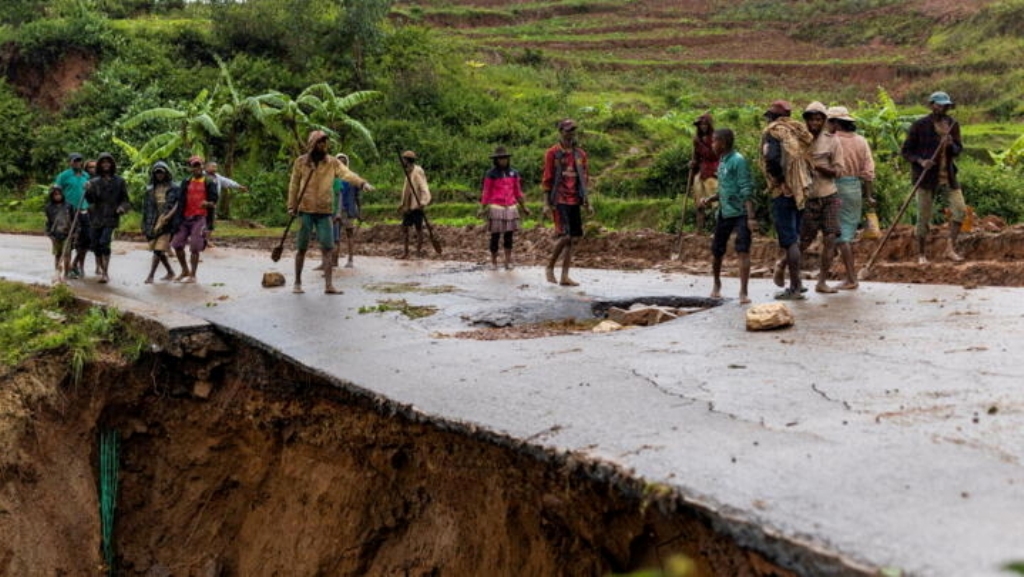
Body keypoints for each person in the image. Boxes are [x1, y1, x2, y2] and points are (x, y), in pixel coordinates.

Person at [288, 130, 374, 294]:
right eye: (320, 143)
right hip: (305, 209)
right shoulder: (301, 163)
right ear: (312, 144)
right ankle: (297, 283)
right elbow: (293, 185)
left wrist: (362, 183)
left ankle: (329, 285)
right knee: (302, 247)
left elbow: (347, 174)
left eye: (325, 143)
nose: (323, 146)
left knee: (328, 248)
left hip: (325, 211)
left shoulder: (332, 163)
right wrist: (291, 206)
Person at [901, 91, 966, 264]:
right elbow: (906, 151)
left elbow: (959, 149)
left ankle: (950, 248)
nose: (942, 108)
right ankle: (921, 254)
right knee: (923, 217)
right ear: (932, 105)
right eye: (939, 105)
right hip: (925, 178)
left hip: (949, 176)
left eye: (945, 105)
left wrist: (951, 144)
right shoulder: (919, 125)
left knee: (960, 210)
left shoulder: (953, 125)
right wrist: (921, 161)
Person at [759, 100, 813, 300]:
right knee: (795, 237)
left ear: (772, 117)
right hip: (800, 189)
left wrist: (781, 183)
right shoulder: (796, 131)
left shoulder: (773, 133)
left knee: (789, 240)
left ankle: (795, 286)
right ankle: (797, 282)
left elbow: (771, 159)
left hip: (784, 192)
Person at [699, 128, 755, 304]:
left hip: (741, 212)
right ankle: (716, 284)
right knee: (717, 250)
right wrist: (710, 199)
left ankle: (743, 292)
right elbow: (725, 188)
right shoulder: (722, 161)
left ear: (723, 143)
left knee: (743, 249)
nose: (712, 144)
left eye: (715, 141)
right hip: (724, 211)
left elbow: (746, 188)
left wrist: (751, 217)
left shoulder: (738, 161)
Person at [798, 101, 845, 294]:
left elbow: (839, 170)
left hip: (829, 195)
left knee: (830, 238)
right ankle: (782, 265)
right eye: (811, 119)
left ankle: (822, 281)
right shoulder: (799, 141)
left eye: (818, 119)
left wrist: (818, 167)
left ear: (824, 121)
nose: (815, 123)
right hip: (808, 197)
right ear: (806, 121)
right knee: (803, 241)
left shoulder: (832, 141)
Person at [828, 105, 876, 290]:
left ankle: (850, 277)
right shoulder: (861, 141)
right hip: (854, 188)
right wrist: (869, 196)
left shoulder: (832, 141)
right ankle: (846, 275)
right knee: (844, 231)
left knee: (842, 236)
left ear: (836, 123)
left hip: (835, 187)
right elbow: (868, 172)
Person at [542, 118, 593, 286]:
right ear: (561, 132)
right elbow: (547, 178)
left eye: (573, 130)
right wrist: (545, 203)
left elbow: (584, 179)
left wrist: (587, 201)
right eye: (567, 130)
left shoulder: (580, 154)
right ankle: (549, 266)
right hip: (559, 198)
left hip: (575, 199)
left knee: (572, 239)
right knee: (565, 235)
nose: (570, 134)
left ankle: (564, 276)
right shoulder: (553, 153)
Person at [479, 146, 531, 270]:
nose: (503, 161)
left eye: (505, 159)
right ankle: (493, 262)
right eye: (500, 159)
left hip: (511, 207)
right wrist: (482, 207)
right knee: (495, 236)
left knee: (509, 235)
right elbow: (486, 192)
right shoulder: (491, 174)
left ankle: (508, 261)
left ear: (508, 159)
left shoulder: (513, 173)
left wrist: (524, 207)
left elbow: (518, 192)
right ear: (496, 160)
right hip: (497, 207)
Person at [84, 152, 131, 284]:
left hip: (111, 216)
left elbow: (126, 201)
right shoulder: (93, 182)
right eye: (103, 162)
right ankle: (100, 267)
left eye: (108, 162)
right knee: (95, 245)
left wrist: (122, 208)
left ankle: (105, 272)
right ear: (99, 165)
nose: (106, 164)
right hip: (95, 216)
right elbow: (90, 200)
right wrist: (87, 190)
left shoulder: (119, 181)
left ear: (112, 164)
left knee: (104, 242)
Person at [170, 155, 217, 284]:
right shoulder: (186, 182)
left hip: (200, 218)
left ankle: (193, 275)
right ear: (190, 168)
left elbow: (214, 202)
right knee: (177, 244)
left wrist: (207, 204)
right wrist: (172, 218)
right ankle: (185, 270)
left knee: (195, 247)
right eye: (194, 166)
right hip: (185, 218)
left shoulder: (209, 182)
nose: (197, 168)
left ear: (202, 166)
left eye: (198, 165)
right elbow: (180, 202)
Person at [141, 161, 180, 284]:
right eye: (157, 172)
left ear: (166, 173)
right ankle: (170, 272)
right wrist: (143, 224)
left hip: (167, 221)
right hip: (152, 221)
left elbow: (178, 204)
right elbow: (146, 208)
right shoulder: (150, 189)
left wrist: (169, 216)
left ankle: (151, 275)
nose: (159, 175)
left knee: (159, 249)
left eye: (161, 172)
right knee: (157, 249)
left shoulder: (174, 187)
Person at [53, 153, 91, 279]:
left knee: (85, 240)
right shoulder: (64, 176)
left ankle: (76, 264)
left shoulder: (86, 176)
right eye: (75, 161)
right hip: (68, 212)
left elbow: (91, 193)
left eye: (79, 160)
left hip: (83, 210)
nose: (77, 163)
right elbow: (56, 192)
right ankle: (65, 269)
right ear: (70, 162)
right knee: (68, 240)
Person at [203, 160, 248, 248]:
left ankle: (206, 240)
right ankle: (197, 239)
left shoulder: (217, 177)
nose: (214, 168)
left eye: (215, 167)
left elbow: (228, 182)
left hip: (212, 203)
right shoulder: (201, 176)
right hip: (201, 203)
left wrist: (239, 186)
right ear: (206, 167)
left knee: (210, 223)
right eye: (212, 166)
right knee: (199, 222)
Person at [398, 150, 431, 259]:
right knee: (405, 228)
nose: (403, 162)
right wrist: (402, 204)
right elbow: (406, 189)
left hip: (416, 205)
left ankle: (418, 252)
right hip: (408, 205)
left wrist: (423, 202)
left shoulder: (417, 171)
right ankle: (406, 252)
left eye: (404, 160)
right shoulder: (407, 171)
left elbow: (424, 187)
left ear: (407, 161)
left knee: (418, 229)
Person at [689, 112, 720, 233]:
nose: (703, 127)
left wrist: (701, 144)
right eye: (701, 125)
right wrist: (693, 163)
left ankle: (719, 229)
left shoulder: (715, 138)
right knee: (699, 202)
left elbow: (714, 155)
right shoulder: (697, 140)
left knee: (716, 202)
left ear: (709, 125)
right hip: (701, 172)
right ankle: (699, 229)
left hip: (713, 171)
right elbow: (696, 157)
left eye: (705, 124)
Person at [44, 184, 74, 276]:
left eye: (59, 194)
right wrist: (49, 234)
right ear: (52, 196)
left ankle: (66, 273)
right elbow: (48, 222)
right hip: (55, 234)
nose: (57, 196)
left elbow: (74, 220)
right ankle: (57, 273)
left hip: (67, 234)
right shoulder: (48, 207)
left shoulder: (68, 206)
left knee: (67, 254)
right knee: (58, 254)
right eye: (55, 195)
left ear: (62, 194)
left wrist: (75, 232)